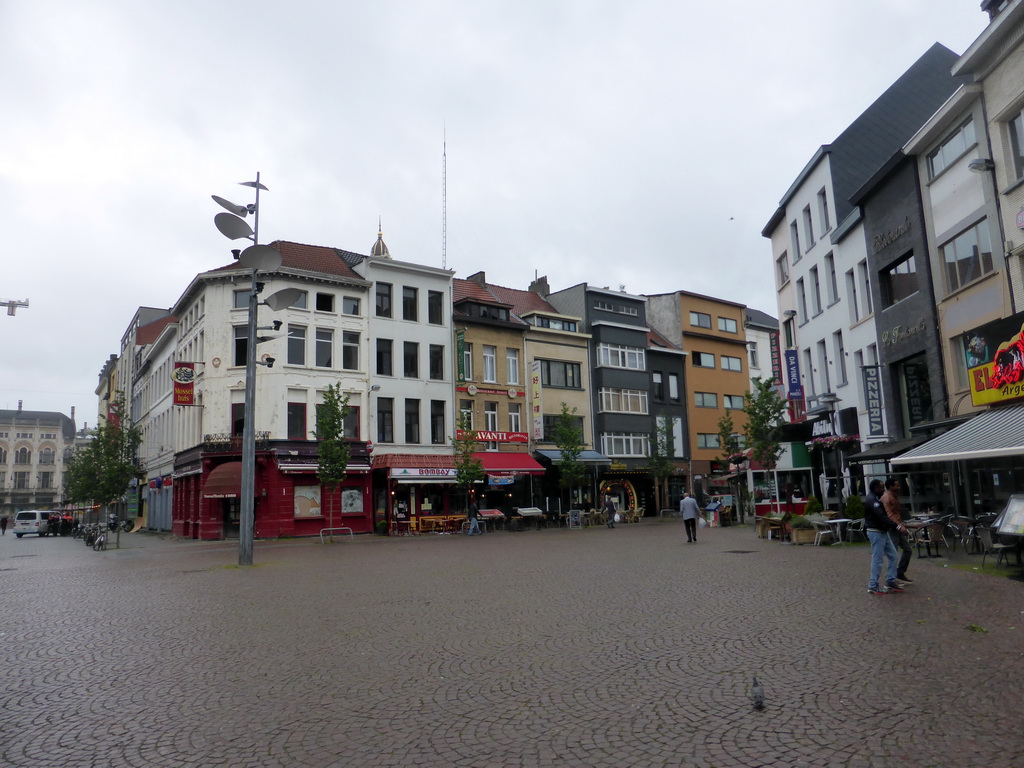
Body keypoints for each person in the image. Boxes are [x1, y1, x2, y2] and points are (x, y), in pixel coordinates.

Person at [864, 479, 906, 596]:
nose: (883, 490)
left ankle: (890, 581)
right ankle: (872, 586)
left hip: (882, 531)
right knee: (877, 559)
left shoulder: (876, 498)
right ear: (875, 488)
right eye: (881, 487)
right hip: (876, 532)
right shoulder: (872, 500)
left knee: (893, 555)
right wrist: (897, 527)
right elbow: (882, 516)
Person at [881, 476, 913, 584]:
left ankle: (900, 572)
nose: (899, 487)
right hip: (893, 528)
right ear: (890, 486)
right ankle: (891, 577)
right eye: (896, 485)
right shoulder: (887, 498)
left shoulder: (893, 496)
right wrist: (900, 526)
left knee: (907, 549)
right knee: (893, 553)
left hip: (897, 526)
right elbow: (890, 515)